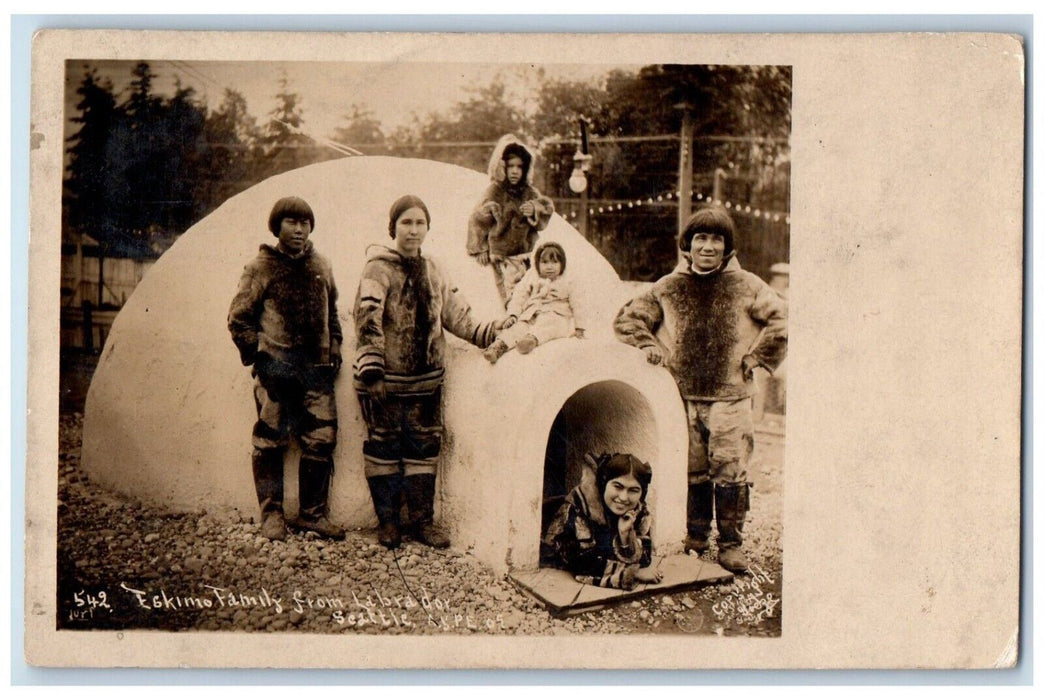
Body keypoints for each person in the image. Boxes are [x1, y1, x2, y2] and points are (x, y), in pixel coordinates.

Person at [614, 206, 787, 573]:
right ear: (687, 246)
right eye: (700, 239)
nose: (708, 247)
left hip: (731, 398)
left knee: (729, 470)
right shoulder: (668, 287)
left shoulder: (748, 285)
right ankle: (695, 536)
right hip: (684, 396)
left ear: (728, 248)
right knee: (693, 470)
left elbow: (782, 320)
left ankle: (730, 543)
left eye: (716, 240)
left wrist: (758, 356)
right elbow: (628, 319)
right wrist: (648, 344)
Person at [354, 195, 505, 550]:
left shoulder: (435, 269)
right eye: (406, 222)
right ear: (393, 228)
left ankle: (421, 521)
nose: (413, 230)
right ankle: (389, 522)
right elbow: (367, 318)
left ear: (427, 228)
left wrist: (495, 332)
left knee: (424, 450)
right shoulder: (377, 268)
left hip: (426, 383)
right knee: (383, 450)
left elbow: (456, 316)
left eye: (420, 223)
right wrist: (372, 371)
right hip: (385, 384)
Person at [228, 196, 345, 542]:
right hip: (276, 374)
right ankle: (271, 514)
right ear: (276, 226)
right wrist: (261, 359)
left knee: (322, 439)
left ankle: (312, 514)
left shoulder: (321, 265)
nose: (299, 229)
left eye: (305, 222)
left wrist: (334, 348)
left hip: (316, 374)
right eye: (291, 222)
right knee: (269, 441)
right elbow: (239, 319)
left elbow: (333, 314)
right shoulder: (260, 268)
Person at [542, 453, 664, 590]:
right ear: (604, 483)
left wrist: (625, 536)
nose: (623, 497)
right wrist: (633, 573)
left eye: (633, 490)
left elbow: (645, 559)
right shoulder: (579, 507)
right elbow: (580, 564)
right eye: (617, 486)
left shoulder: (637, 510)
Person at [466, 134, 555, 305]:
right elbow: (477, 218)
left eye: (520, 167)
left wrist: (535, 209)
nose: (515, 171)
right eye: (511, 166)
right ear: (502, 167)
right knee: (510, 297)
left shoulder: (529, 192)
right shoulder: (495, 191)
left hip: (528, 253)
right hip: (503, 256)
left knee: (533, 294)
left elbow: (547, 208)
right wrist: (480, 248)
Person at [483, 241, 585, 364]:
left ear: (562, 264)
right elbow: (519, 296)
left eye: (555, 262)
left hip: (556, 316)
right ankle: (498, 346)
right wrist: (513, 314)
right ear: (537, 263)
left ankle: (531, 340)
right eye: (545, 262)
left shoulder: (568, 279)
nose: (550, 266)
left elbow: (578, 303)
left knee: (548, 326)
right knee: (518, 328)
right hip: (531, 314)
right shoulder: (532, 276)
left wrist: (580, 327)